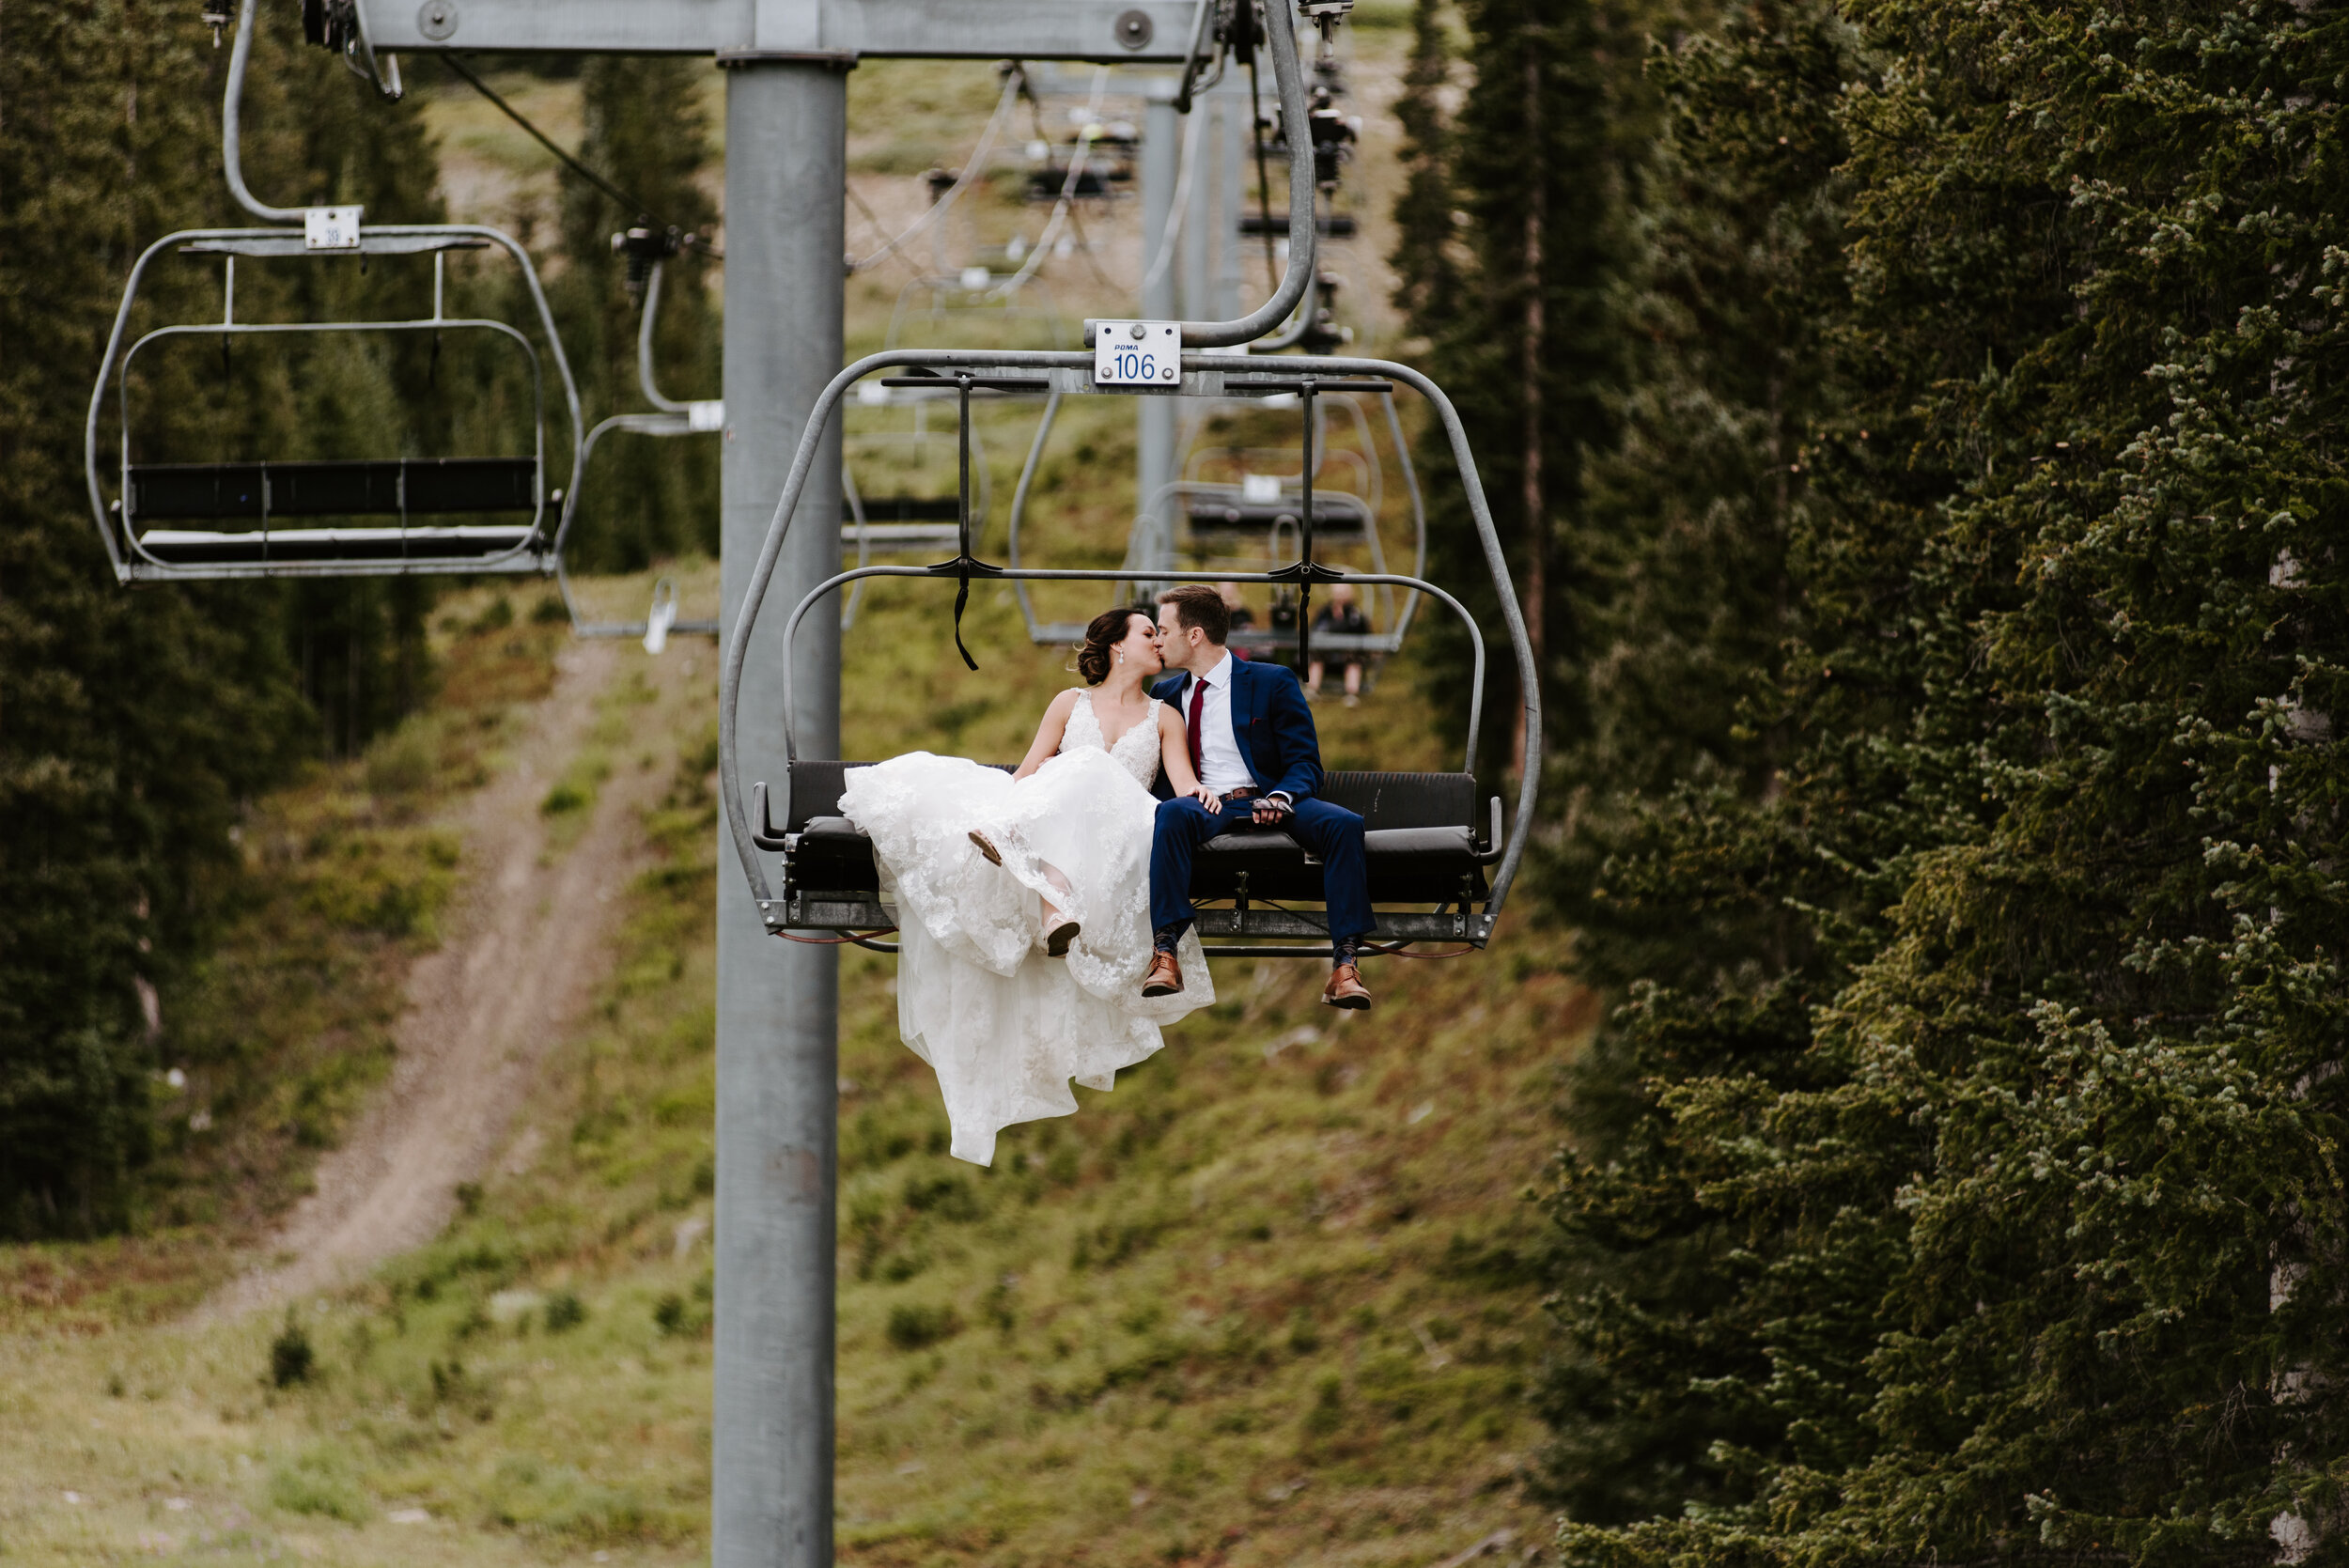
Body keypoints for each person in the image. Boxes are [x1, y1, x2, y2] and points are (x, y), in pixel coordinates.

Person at [838, 607, 1219, 1165]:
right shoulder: (1070, 705)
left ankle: (1037, 870)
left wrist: (1204, 797)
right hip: (1063, 816)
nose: (1158, 641)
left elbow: (1181, 782)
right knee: (1069, 774)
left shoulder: (1164, 717)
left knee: (1088, 771)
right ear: (1118, 647)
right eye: (1147, 633)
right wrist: (1014, 800)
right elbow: (1029, 771)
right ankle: (1048, 896)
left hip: (1122, 828)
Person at [1143, 583, 1375, 1011]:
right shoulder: (1166, 695)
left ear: (1194, 635)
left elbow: (1305, 762)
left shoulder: (1271, 681)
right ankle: (1165, 953)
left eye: (1163, 630)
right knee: (1172, 816)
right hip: (1207, 803)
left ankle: (1345, 964)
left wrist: (1282, 798)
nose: (1157, 639)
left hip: (1272, 798)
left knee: (1344, 824)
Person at [1305, 581, 1371, 706]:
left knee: (1354, 660)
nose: (1340, 597)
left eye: (1343, 594)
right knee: (1317, 657)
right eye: (1338, 594)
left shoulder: (1355, 615)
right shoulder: (1325, 612)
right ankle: (1312, 690)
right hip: (1327, 654)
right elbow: (1314, 630)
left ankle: (1351, 694)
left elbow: (1363, 635)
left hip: (1348, 654)